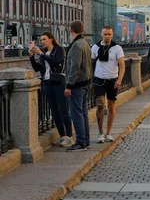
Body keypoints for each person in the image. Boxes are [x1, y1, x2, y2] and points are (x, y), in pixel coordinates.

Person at [29, 31, 73, 147]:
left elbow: (56, 63)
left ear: (51, 39)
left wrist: (42, 54)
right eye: (41, 40)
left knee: (63, 109)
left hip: (58, 83)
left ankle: (69, 137)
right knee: (54, 111)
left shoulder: (59, 50)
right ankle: (62, 136)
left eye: (44, 39)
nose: (42, 42)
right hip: (47, 83)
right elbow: (37, 68)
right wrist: (31, 57)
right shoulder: (44, 52)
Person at [91, 26, 125, 143]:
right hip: (99, 79)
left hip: (112, 80)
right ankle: (100, 133)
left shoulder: (117, 48)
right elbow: (91, 64)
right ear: (101, 34)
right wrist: (91, 80)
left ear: (112, 35)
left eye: (109, 34)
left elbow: (122, 65)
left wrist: (119, 80)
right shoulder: (95, 47)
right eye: (105, 34)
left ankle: (108, 132)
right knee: (100, 104)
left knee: (111, 105)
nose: (107, 36)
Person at [64, 20, 92, 151]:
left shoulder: (76, 45)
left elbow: (74, 66)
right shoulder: (85, 43)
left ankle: (80, 142)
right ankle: (86, 140)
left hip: (77, 84)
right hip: (86, 82)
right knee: (84, 113)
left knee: (76, 114)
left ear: (71, 30)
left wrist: (69, 85)